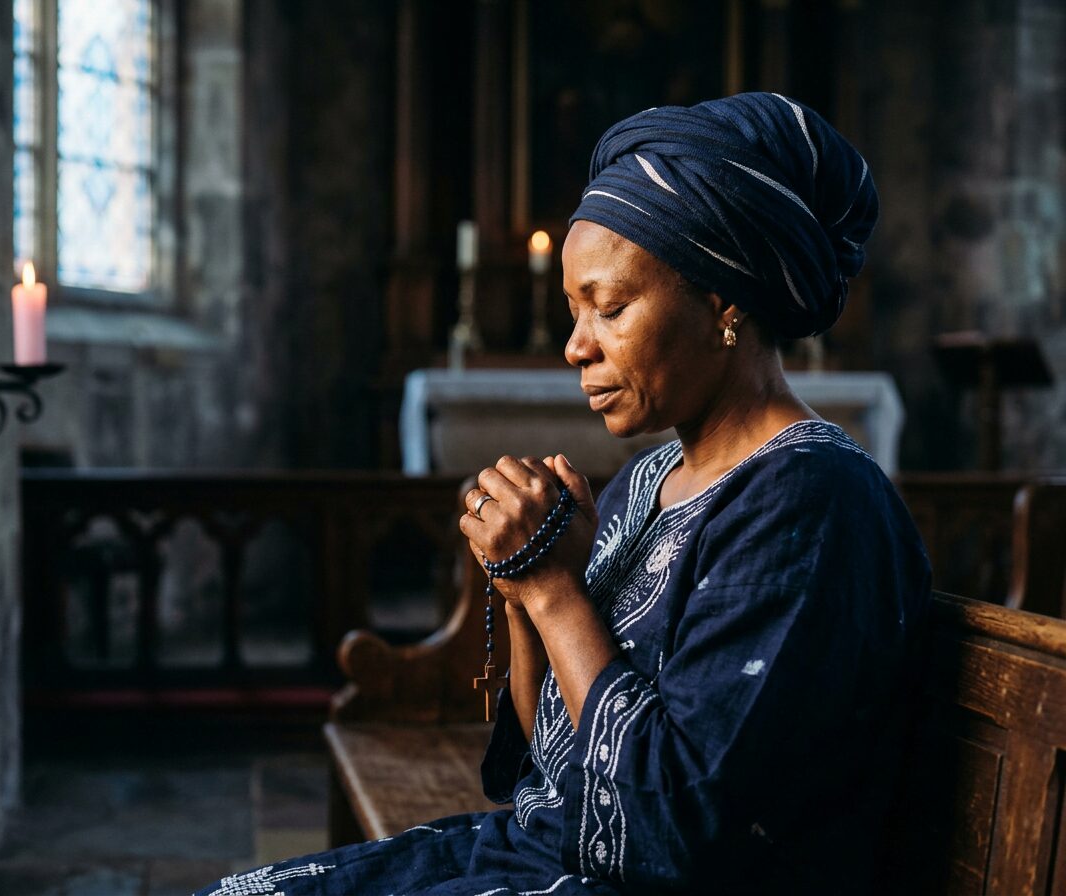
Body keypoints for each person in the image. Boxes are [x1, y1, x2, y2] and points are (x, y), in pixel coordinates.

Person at [196, 92, 930, 896]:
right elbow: (541, 759)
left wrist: (553, 593)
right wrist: (522, 583)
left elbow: (668, 831)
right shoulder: (651, 480)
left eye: (610, 307)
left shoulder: (809, 501)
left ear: (728, 300)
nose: (578, 346)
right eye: (573, 311)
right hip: (541, 850)